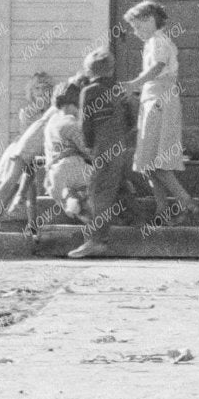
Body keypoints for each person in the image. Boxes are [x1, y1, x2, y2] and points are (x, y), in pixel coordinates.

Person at [125, 2, 199, 226]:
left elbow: (157, 68)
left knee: (157, 162)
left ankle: (187, 203)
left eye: (137, 26)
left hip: (160, 103)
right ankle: (162, 209)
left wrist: (134, 83)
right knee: (147, 161)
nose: (134, 32)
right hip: (151, 102)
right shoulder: (151, 43)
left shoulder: (159, 41)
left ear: (149, 20)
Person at [72, 49, 139, 257]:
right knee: (117, 187)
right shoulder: (119, 90)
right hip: (122, 146)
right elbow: (130, 119)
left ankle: (97, 239)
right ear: (112, 69)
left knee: (98, 192)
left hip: (103, 146)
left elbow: (86, 123)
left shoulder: (89, 91)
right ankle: (139, 224)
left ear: (89, 71)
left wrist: (89, 146)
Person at [0, 103, 55, 229]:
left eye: (44, 91)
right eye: (38, 90)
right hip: (23, 149)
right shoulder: (32, 111)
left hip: (30, 152)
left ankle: (31, 225)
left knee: (29, 191)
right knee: (12, 186)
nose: (41, 94)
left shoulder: (47, 113)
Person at [38, 81, 92, 227]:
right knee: (88, 187)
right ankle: (85, 209)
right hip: (74, 165)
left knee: (65, 192)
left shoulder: (51, 124)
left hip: (54, 171)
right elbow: (86, 149)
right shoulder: (72, 123)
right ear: (75, 104)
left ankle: (71, 201)